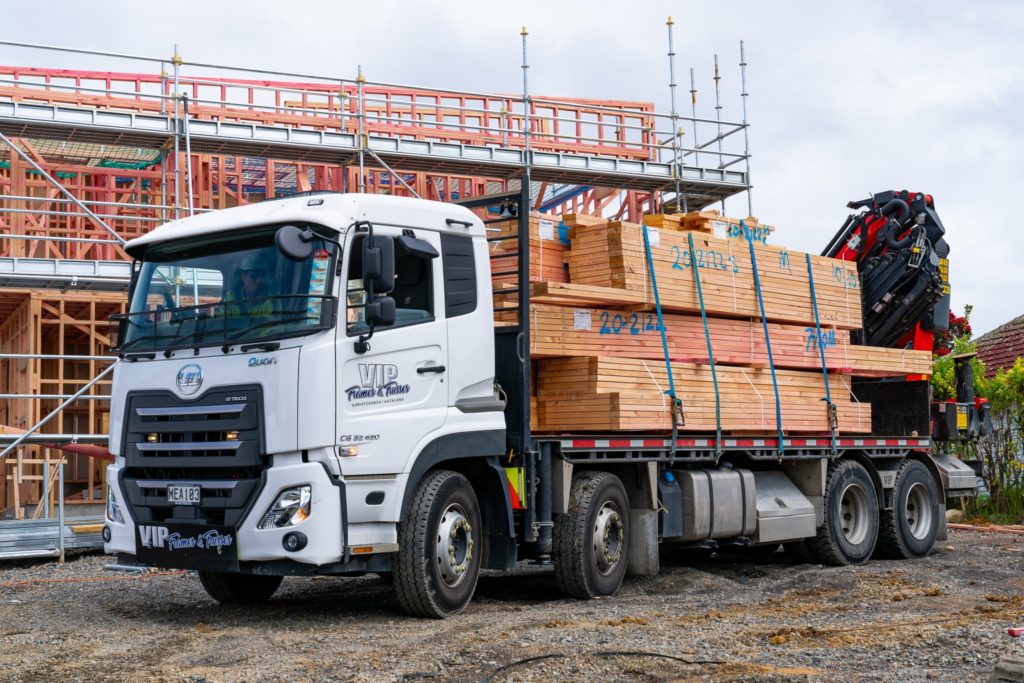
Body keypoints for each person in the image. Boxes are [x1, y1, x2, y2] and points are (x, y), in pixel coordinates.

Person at [225, 253, 274, 321]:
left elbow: (270, 328)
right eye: (253, 276)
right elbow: (221, 324)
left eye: (262, 276)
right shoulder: (230, 299)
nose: (259, 281)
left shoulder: (269, 301)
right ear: (242, 277)